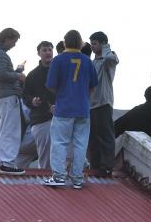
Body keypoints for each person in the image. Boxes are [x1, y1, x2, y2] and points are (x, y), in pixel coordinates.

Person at [44, 29, 98, 189]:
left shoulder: (58, 60)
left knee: (59, 142)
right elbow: (93, 86)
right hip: (83, 108)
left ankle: (59, 176)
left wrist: (63, 94)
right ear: (81, 43)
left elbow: (51, 85)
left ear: (65, 42)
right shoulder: (88, 61)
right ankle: (77, 178)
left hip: (64, 108)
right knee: (81, 144)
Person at [0, 27, 26, 175]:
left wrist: (16, 71)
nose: (14, 45)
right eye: (13, 42)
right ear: (7, 39)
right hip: (8, 97)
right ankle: (8, 164)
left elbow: (0, 74)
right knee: (10, 131)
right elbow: (2, 74)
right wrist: (18, 76)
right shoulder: (0, 54)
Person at [88, 31, 119, 177]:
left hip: (103, 103)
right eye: (91, 44)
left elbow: (110, 59)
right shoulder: (93, 62)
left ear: (102, 44)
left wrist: (106, 47)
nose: (92, 46)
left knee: (105, 136)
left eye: (95, 43)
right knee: (92, 137)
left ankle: (106, 166)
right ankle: (95, 164)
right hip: (90, 104)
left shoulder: (109, 59)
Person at [23, 41, 56, 168]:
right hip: (41, 120)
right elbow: (25, 95)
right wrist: (32, 101)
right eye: (44, 50)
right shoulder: (32, 75)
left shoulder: (61, 71)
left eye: (49, 50)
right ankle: (46, 184)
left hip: (63, 118)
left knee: (67, 154)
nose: (48, 53)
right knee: (46, 158)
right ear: (38, 53)